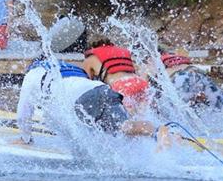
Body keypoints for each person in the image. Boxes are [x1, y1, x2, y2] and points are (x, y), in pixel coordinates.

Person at [16, 58, 154, 144]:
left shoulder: (32, 74)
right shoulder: (72, 68)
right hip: (104, 90)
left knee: (112, 131)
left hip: (83, 99)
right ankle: (158, 131)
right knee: (126, 127)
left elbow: (23, 112)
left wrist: (25, 138)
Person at [157, 50, 223, 127]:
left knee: (180, 115)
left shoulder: (155, 62)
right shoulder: (179, 57)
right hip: (197, 74)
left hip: (179, 79)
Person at [81, 39, 150, 112]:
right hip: (140, 84)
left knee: (128, 120)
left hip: (122, 87)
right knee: (145, 116)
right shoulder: (122, 52)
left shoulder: (89, 59)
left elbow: (86, 84)